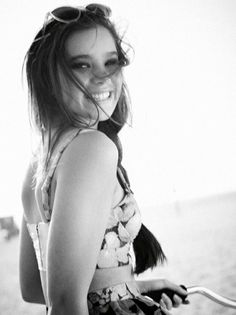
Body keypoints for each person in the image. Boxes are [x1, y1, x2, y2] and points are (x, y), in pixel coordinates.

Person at [19, 4, 188, 315]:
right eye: (81, 65)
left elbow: (34, 289)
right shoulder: (94, 149)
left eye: (111, 63)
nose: (102, 78)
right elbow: (66, 303)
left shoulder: (39, 163)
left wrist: (131, 290)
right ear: (49, 76)